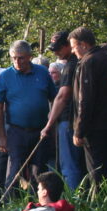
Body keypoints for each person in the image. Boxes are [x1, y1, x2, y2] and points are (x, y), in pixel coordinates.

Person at [70, 26, 107, 186]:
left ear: (83, 44)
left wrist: (79, 130)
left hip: (94, 128)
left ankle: (100, 207)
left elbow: (85, 99)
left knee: (97, 172)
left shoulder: (88, 63)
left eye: (74, 47)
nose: (72, 51)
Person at [0, 40, 57, 187]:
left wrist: (51, 125)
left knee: (39, 171)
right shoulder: (5, 77)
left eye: (21, 58)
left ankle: (37, 201)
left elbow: (55, 99)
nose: (17, 61)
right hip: (17, 131)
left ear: (29, 56)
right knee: (16, 170)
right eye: (13, 58)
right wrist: (2, 137)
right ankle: (11, 203)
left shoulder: (42, 73)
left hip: (40, 130)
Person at [40, 31, 87, 190]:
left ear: (68, 45)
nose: (56, 52)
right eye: (53, 49)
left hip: (68, 120)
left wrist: (49, 124)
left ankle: (73, 200)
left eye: (59, 48)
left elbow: (63, 96)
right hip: (79, 120)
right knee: (78, 164)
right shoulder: (82, 62)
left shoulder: (70, 66)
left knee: (69, 165)